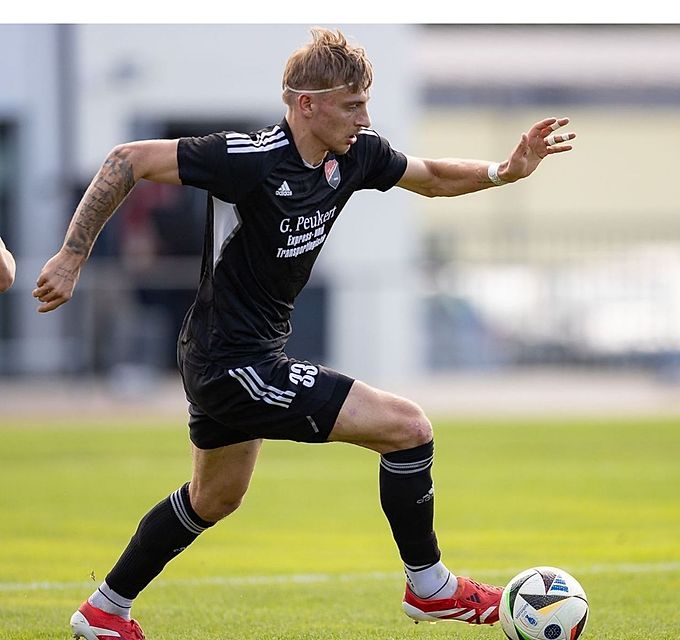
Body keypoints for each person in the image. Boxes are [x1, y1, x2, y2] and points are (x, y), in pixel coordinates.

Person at [33, 27, 575, 640]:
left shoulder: (357, 154)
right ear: (305, 104)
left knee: (214, 498)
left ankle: (104, 610)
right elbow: (126, 160)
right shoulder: (248, 157)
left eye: (366, 103)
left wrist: (506, 171)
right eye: (352, 105)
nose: (365, 117)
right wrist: (72, 256)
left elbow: (429, 177)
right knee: (407, 428)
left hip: (245, 351)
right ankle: (431, 588)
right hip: (228, 360)